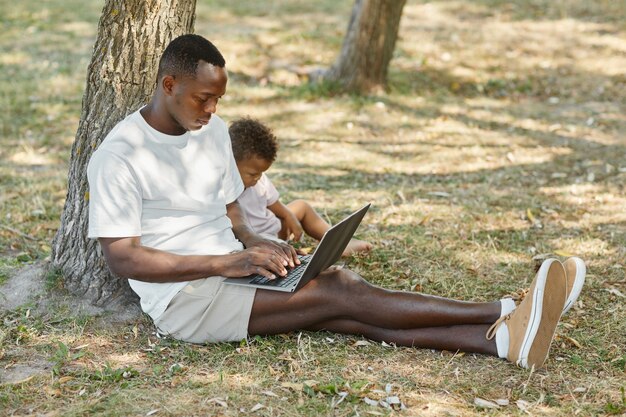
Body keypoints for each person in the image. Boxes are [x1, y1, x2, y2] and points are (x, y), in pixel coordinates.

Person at [87, 34, 585, 369]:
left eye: (219, 99)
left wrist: (260, 245)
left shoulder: (212, 131)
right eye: (203, 98)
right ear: (168, 85)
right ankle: (507, 308)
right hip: (187, 302)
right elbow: (122, 258)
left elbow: (231, 211)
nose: (213, 111)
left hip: (231, 272)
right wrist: (230, 260)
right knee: (339, 290)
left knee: (341, 314)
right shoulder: (119, 156)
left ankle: (503, 342)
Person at [229, 117, 372, 256]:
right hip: (259, 240)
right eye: (253, 174)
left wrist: (290, 216)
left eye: (261, 173)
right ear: (230, 163)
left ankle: (339, 243)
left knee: (301, 206)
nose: (258, 178)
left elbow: (276, 205)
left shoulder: (259, 180)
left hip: (276, 227)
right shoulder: (224, 190)